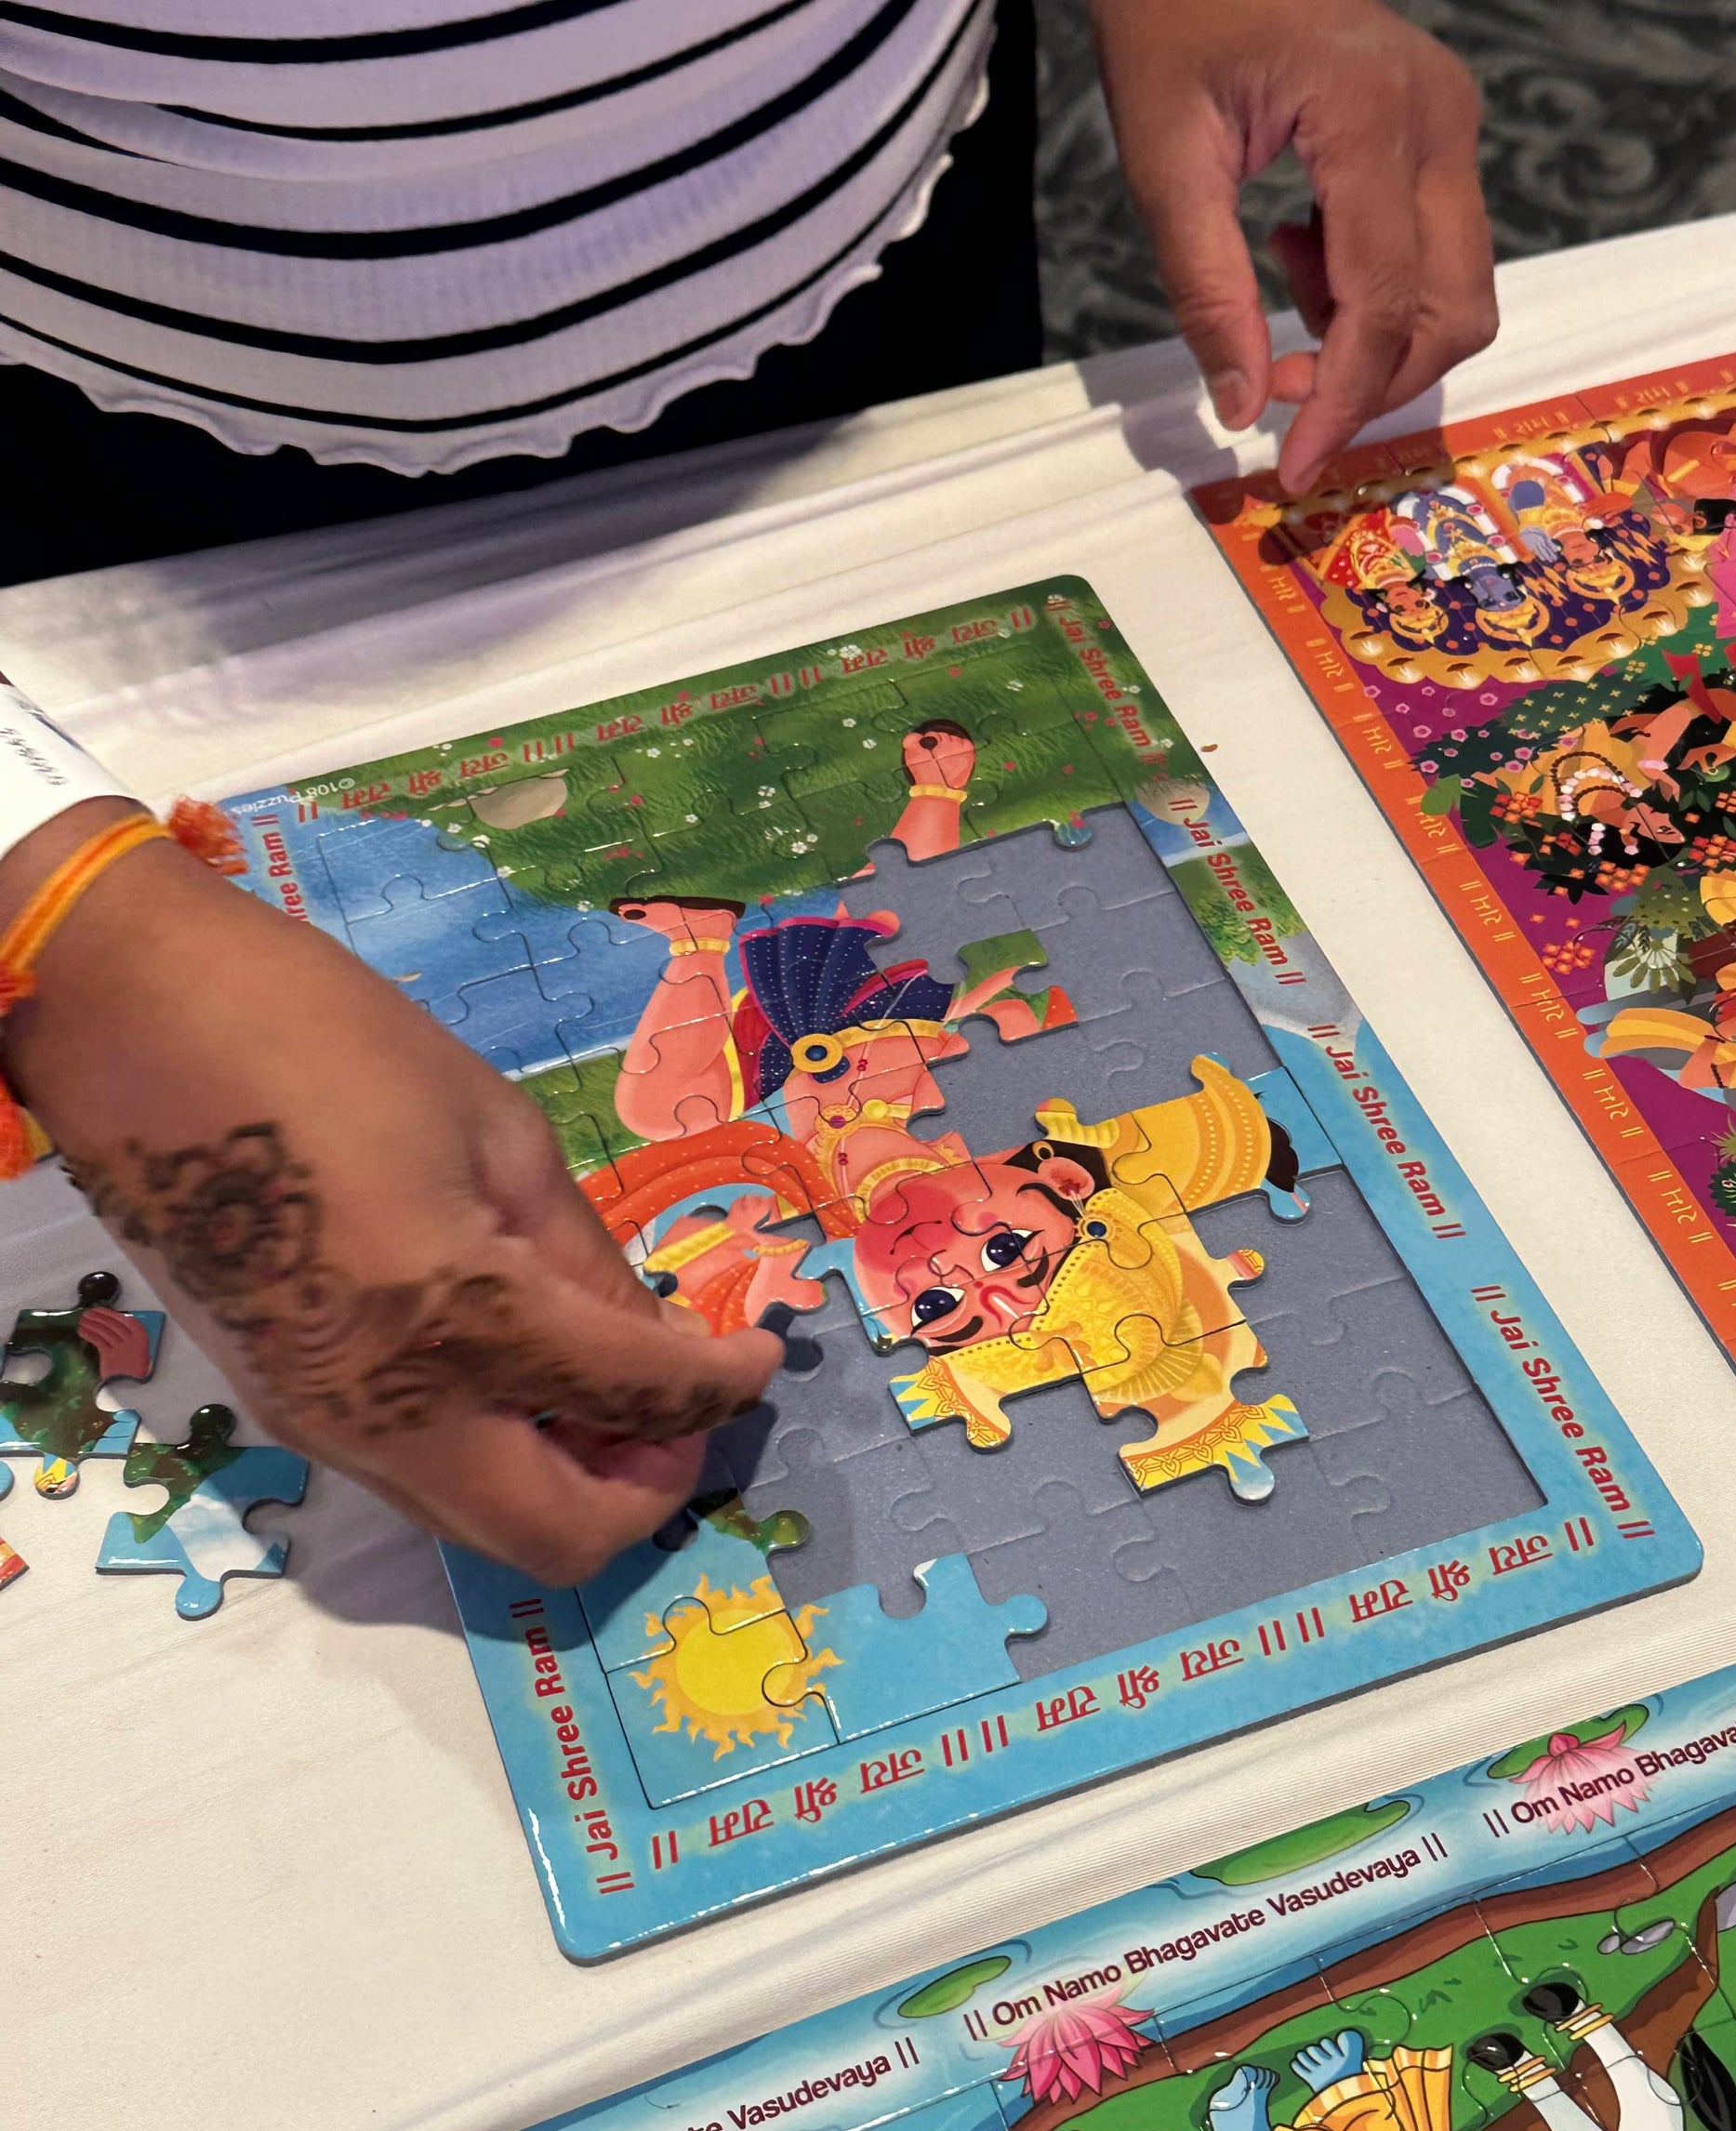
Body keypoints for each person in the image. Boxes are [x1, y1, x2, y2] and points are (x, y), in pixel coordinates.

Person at [0, 0, 1495, 1582]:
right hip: (124, 415)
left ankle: (697, 951)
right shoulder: (929, 1081)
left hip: (865, 258)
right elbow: (902, 908)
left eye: (946, 1309)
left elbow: (694, 1179)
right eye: (1012, 1252)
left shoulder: (815, 1214)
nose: (956, 1270)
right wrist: (60, 903)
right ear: (1051, 1174)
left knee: (664, 1102)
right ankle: (711, 944)